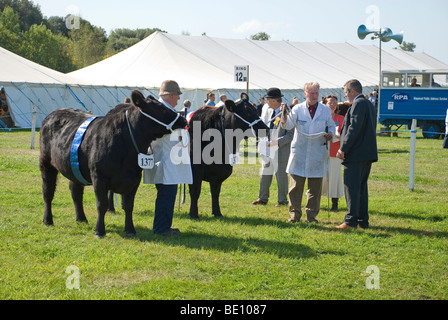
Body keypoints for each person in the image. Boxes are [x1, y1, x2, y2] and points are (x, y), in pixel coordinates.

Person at [143, 80, 193, 236]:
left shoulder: (165, 109)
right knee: (167, 194)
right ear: (170, 95)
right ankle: (161, 228)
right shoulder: (163, 111)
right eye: (177, 95)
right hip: (166, 158)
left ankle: (164, 226)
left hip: (167, 157)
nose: (178, 99)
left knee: (168, 193)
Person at [281, 82, 335, 223]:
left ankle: (311, 216)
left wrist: (330, 134)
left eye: (316, 93)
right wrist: (284, 115)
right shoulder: (298, 109)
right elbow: (288, 125)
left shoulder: (325, 110)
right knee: (295, 188)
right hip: (300, 152)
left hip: (317, 152)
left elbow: (331, 126)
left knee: (315, 189)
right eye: (311, 93)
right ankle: (295, 215)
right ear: (305, 94)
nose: (314, 96)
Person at [335, 79, 378, 230]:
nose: (345, 95)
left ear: (352, 91)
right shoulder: (368, 103)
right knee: (361, 188)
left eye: (346, 92)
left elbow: (354, 128)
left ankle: (350, 221)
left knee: (351, 188)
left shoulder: (358, 104)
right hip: (366, 153)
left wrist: (343, 148)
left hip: (356, 153)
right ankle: (362, 221)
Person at [252, 88, 294, 207]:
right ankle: (262, 198)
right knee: (265, 173)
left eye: (268, 99)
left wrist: (276, 142)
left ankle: (282, 200)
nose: (266, 101)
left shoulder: (287, 113)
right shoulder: (269, 112)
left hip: (281, 150)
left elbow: (290, 135)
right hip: (267, 148)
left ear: (274, 100)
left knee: (281, 175)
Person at [321, 95, 344, 211]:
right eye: (330, 102)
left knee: (335, 177)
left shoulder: (341, 119)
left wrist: (334, 135)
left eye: (334, 103)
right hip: (321, 151)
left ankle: (335, 203)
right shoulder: (320, 117)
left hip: (335, 152)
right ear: (325, 104)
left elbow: (343, 135)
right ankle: (314, 201)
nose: (332, 105)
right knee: (320, 177)